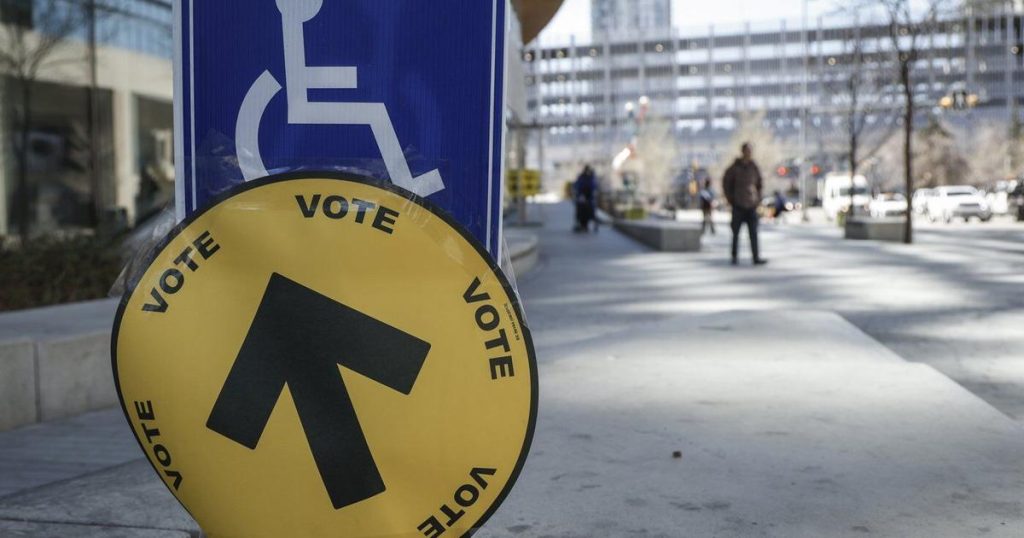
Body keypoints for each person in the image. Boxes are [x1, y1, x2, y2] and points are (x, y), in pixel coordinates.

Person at [723, 142, 768, 266]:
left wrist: (757, 198)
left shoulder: (754, 167)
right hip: (738, 205)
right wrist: (730, 199)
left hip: (751, 205)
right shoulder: (734, 168)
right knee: (736, 233)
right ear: (742, 151)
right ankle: (734, 256)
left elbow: (759, 183)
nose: (749, 153)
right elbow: (726, 183)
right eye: (747, 151)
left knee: (753, 233)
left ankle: (756, 257)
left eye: (750, 151)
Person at [573, 165, 598, 233]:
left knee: (587, 213)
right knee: (583, 213)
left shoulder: (589, 177)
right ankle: (583, 226)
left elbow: (593, 187)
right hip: (584, 198)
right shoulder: (585, 177)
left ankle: (585, 226)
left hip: (588, 198)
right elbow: (578, 186)